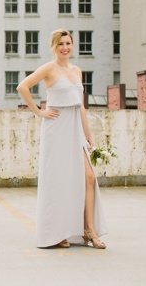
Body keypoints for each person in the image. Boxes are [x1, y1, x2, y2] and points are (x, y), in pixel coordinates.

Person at [17, 29, 107, 249]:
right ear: (54, 47)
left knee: (88, 177)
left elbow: (81, 105)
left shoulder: (77, 70)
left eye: (68, 43)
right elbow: (23, 87)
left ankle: (90, 231)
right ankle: (57, 233)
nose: (65, 47)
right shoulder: (49, 68)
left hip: (76, 128)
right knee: (58, 181)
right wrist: (39, 111)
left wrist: (89, 134)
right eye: (61, 44)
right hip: (56, 128)